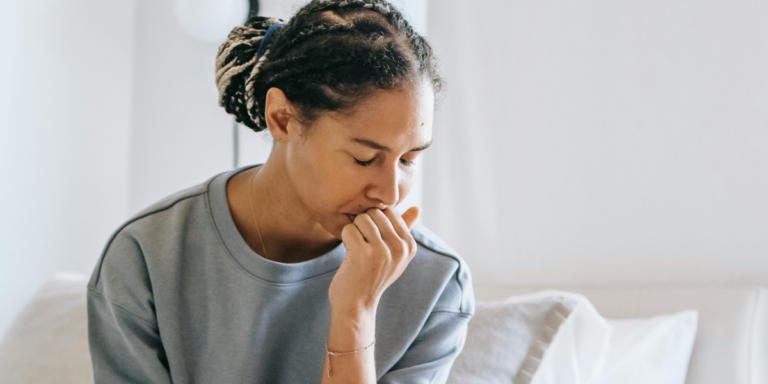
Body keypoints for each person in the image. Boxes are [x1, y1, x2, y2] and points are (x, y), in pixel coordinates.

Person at [86, 0, 474, 382]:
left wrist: (355, 312)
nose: (391, 195)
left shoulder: (437, 285)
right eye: (363, 158)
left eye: (408, 160)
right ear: (282, 118)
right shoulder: (147, 256)